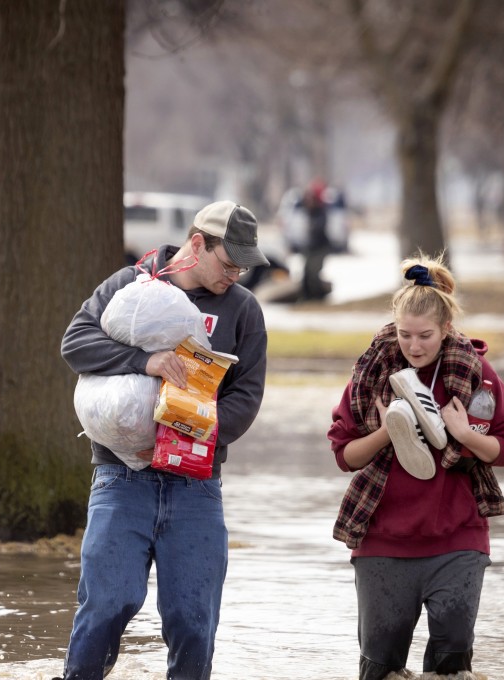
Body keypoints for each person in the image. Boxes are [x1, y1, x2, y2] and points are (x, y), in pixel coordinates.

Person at [57, 200, 270, 680]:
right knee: (107, 604)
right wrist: (144, 361)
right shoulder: (130, 284)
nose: (236, 275)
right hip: (120, 478)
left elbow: (247, 397)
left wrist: (192, 435)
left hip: (196, 485)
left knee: (194, 620)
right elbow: (75, 343)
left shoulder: (243, 310)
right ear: (197, 245)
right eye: (228, 263)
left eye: (244, 266)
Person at [327, 252, 504, 680]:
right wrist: (385, 432)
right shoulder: (371, 373)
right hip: (382, 541)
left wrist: (464, 433)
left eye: (425, 336)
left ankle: (431, 421)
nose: (414, 346)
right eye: (404, 335)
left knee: (452, 666)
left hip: (458, 540)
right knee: (379, 669)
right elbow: (344, 455)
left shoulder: (478, 374)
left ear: (446, 329)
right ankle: (409, 417)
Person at [300, 179, 331, 300]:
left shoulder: (320, 212)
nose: (309, 201)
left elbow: (318, 231)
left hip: (319, 248)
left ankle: (317, 297)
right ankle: (307, 297)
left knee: (314, 274)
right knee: (306, 273)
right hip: (310, 248)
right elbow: (302, 202)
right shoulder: (310, 211)